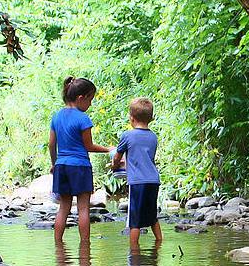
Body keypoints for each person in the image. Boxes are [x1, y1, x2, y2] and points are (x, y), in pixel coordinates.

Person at [49, 76, 110, 243]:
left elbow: (51, 144)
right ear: (81, 98)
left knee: (63, 208)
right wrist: (108, 150)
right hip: (80, 167)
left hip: (61, 166)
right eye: (90, 100)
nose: (90, 105)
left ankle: (58, 245)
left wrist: (54, 164)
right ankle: (85, 246)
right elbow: (88, 146)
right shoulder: (83, 118)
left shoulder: (56, 116)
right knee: (83, 208)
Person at [112, 97, 163, 247]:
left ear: (131, 118)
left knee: (134, 220)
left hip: (137, 182)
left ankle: (134, 251)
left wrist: (115, 165)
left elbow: (117, 156)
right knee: (152, 216)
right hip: (153, 180)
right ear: (151, 118)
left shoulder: (127, 136)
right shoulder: (153, 137)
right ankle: (159, 243)